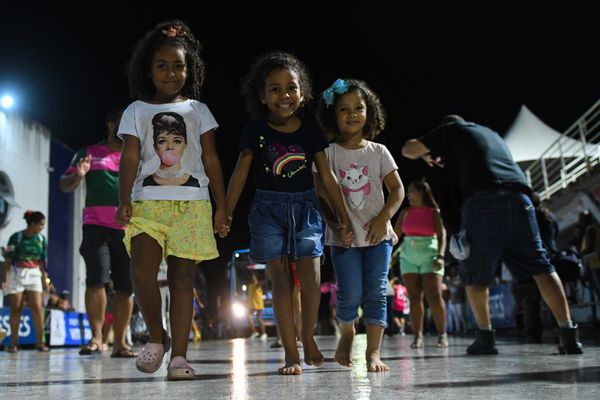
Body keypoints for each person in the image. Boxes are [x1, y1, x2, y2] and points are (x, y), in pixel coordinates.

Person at [401, 114, 583, 355]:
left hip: (483, 201)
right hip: (521, 199)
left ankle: (485, 339)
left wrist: (426, 153)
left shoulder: (452, 130)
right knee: (541, 267)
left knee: (475, 275)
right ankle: (568, 336)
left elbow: (408, 150)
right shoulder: (489, 133)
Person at [225, 52, 352, 375]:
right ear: (263, 96)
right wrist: (225, 211)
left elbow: (327, 177)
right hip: (268, 210)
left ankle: (307, 336)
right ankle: (291, 352)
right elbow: (240, 172)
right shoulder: (255, 130)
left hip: (306, 207)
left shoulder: (311, 132)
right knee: (279, 282)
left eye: (291, 88)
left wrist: (342, 216)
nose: (284, 96)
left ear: (302, 92)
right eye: (276, 89)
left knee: (310, 276)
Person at [116, 20, 228, 380]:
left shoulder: (198, 109)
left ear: (189, 68)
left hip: (193, 204)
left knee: (183, 278)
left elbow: (210, 159)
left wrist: (222, 205)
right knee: (141, 271)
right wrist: (124, 198)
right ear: (148, 70)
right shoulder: (135, 109)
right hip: (147, 203)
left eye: (178, 65)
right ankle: (157, 336)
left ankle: (179, 356)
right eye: (162, 65)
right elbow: (130, 157)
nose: (171, 72)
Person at [315, 79, 404, 372]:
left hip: (378, 237)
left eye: (358, 108)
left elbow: (398, 190)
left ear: (370, 112)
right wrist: (336, 224)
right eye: (344, 109)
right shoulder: (327, 154)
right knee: (349, 292)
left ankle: (374, 353)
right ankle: (348, 333)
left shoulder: (379, 152)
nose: (352, 114)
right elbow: (320, 195)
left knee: (376, 292)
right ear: (333, 115)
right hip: (345, 239)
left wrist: (383, 218)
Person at [60, 108, 136, 358]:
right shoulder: (89, 153)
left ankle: (121, 342)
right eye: (122, 123)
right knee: (96, 280)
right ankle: (97, 338)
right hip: (96, 227)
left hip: (127, 229)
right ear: (111, 124)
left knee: (126, 286)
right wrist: (79, 176)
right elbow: (65, 184)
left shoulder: (137, 157)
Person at [393, 179, 448, 348]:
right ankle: (418, 336)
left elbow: (442, 236)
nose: (408, 195)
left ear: (422, 192)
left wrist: (440, 255)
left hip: (430, 255)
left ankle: (442, 334)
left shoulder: (433, 212)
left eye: (411, 191)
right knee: (414, 297)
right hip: (408, 256)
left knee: (434, 296)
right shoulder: (406, 212)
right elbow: (395, 235)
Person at [1, 211, 49, 352]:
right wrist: (4, 279)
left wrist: (45, 280)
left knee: (37, 307)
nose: (42, 227)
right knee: (16, 308)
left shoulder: (41, 240)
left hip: (34, 273)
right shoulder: (16, 237)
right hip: (16, 273)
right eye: (40, 224)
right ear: (32, 224)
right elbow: (8, 260)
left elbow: (42, 262)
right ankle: (14, 343)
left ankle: (39, 343)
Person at [246, 273, 267, 339]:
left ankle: (264, 333)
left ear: (256, 279)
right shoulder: (250, 286)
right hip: (252, 305)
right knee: (248, 317)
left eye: (254, 278)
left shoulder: (257, 285)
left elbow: (261, 283)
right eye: (252, 278)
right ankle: (255, 332)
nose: (253, 279)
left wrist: (268, 279)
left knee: (258, 318)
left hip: (258, 304)